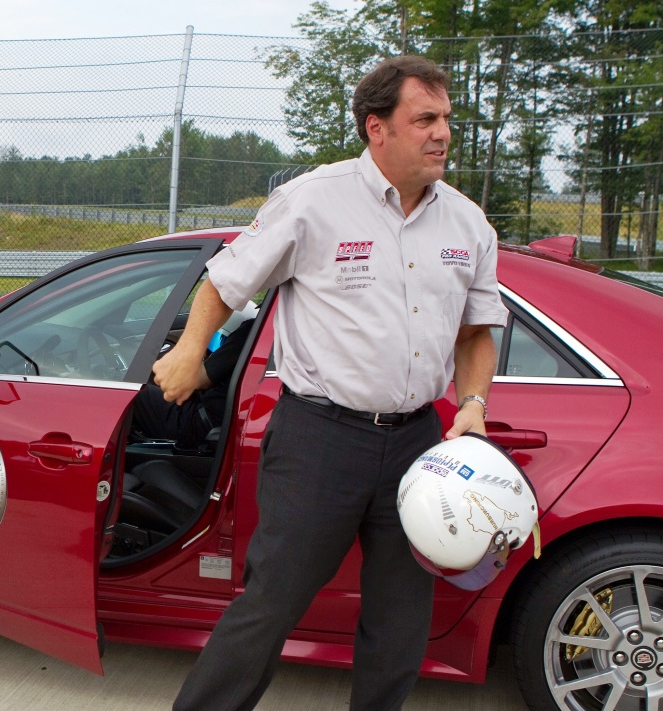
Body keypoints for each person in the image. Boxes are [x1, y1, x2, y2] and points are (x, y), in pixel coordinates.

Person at [154, 55, 508, 711]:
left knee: (401, 620)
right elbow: (227, 280)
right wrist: (189, 350)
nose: (442, 134)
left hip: (418, 447)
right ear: (378, 128)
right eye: (424, 119)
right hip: (320, 437)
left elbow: (476, 332)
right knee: (272, 601)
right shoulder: (314, 200)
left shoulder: (466, 223)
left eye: (447, 119)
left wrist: (474, 404)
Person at [131, 318, 253, 450]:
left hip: (200, 421)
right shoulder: (265, 334)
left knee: (132, 392)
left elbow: (202, 379)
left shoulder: (251, 331)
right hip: (219, 420)